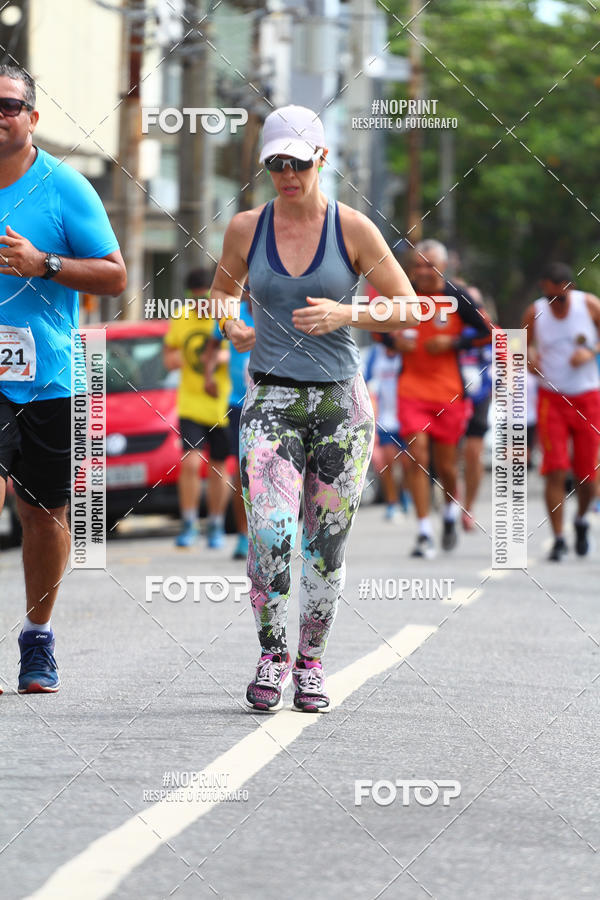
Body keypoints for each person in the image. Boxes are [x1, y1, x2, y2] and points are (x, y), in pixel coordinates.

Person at [210, 104, 416, 713]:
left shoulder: (351, 228)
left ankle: (313, 662)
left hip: (340, 405)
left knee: (325, 544)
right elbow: (221, 293)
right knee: (272, 532)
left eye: (297, 164)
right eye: (276, 164)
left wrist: (346, 312)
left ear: (321, 159)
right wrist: (231, 324)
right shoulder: (247, 227)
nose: (287, 175)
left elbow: (408, 306)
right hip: (270, 396)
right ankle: (272, 656)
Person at [0, 64, 126, 693]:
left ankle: (37, 637)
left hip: (49, 375)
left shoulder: (66, 187)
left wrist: (42, 263)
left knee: (44, 514)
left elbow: (115, 276)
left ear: (32, 116)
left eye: (7, 106)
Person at [394, 240, 493, 559]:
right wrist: (395, 340)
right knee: (415, 455)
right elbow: (379, 326)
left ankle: (451, 512)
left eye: (430, 265)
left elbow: (486, 332)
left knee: (448, 466)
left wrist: (452, 342)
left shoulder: (456, 296)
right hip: (411, 388)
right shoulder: (403, 292)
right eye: (418, 265)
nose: (423, 271)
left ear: (443, 266)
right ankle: (424, 531)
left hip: (448, 390)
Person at [522, 262, 600, 561]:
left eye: (562, 298)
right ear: (544, 290)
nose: (556, 304)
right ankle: (558, 538)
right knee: (555, 469)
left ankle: (580, 521)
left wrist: (591, 351)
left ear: (571, 289)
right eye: (551, 298)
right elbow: (518, 347)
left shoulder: (589, 306)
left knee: (587, 474)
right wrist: (530, 361)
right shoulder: (535, 312)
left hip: (587, 397)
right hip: (551, 398)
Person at [163, 267, 231, 548]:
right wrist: (186, 357)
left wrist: (220, 357)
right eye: (196, 299)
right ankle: (189, 521)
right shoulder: (181, 317)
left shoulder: (225, 317)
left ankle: (215, 523)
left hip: (222, 403)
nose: (202, 305)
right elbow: (168, 358)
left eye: (207, 299)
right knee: (190, 463)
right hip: (191, 402)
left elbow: (241, 349)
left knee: (218, 466)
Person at [205, 285, 254, 559]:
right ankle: (243, 535)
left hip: (277, 401)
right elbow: (213, 345)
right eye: (247, 288)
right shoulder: (233, 315)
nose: (250, 293)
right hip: (238, 404)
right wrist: (209, 375)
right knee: (242, 472)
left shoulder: (280, 313)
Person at [364, 339, 409, 519]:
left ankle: (404, 493)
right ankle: (392, 502)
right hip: (385, 418)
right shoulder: (376, 353)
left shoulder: (406, 349)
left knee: (408, 463)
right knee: (387, 461)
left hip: (406, 417)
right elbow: (366, 382)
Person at [459, 311, 493, 531]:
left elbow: (510, 361)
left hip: (480, 398)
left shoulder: (490, 332)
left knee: (473, 453)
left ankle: (468, 507)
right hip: (450, 398)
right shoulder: (452, 330)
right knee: (448, 458)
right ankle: (450, 505)